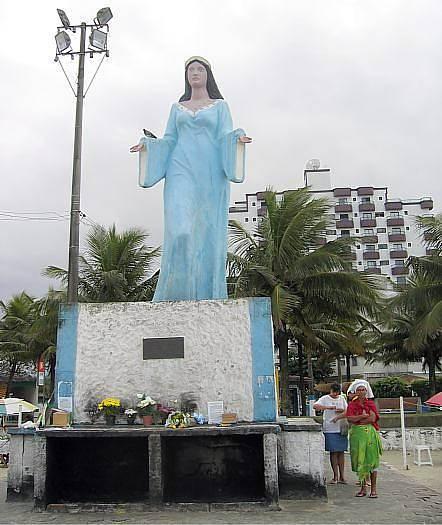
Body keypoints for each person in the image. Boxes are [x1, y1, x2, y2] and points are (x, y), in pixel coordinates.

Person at [130, 56, 251, 302]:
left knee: (207, 231)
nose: (195, 73)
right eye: (190, 69)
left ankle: (206, 295)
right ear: (186, 76)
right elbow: (169, 140)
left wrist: (236, 140)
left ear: (208, 74)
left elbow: (224, 135)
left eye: (200, 69)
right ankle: (174, 296)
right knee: (180, 231)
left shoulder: (220, 106)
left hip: (210, 173)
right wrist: (148, 147)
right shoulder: (177, 107)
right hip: (179, 169)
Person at [344, 381, 382, 498]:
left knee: (371, 461)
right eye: (359, 390)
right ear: (355, 392)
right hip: (357, 434)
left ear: (366, 391)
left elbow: (372, 418)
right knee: (359, 460)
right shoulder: (351, 405)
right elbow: (349, 418)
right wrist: (361, 417)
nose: (361, 392)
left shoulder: (370, 404)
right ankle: (362, 488)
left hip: (369, 434)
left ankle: (373, 489)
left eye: (363, 390)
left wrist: (359, 420)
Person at [313, 383, 348, 484]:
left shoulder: (342, 398)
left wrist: (341, 411)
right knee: (333, 452)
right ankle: (335, 476)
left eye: (337, 393)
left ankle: (342, 475)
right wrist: (328, 407)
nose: (335, 395)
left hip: (340, 427)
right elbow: (316, 406)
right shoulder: (325, 398)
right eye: (333, 392)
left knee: (341, 452)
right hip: (330, 428)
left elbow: (347, 410)